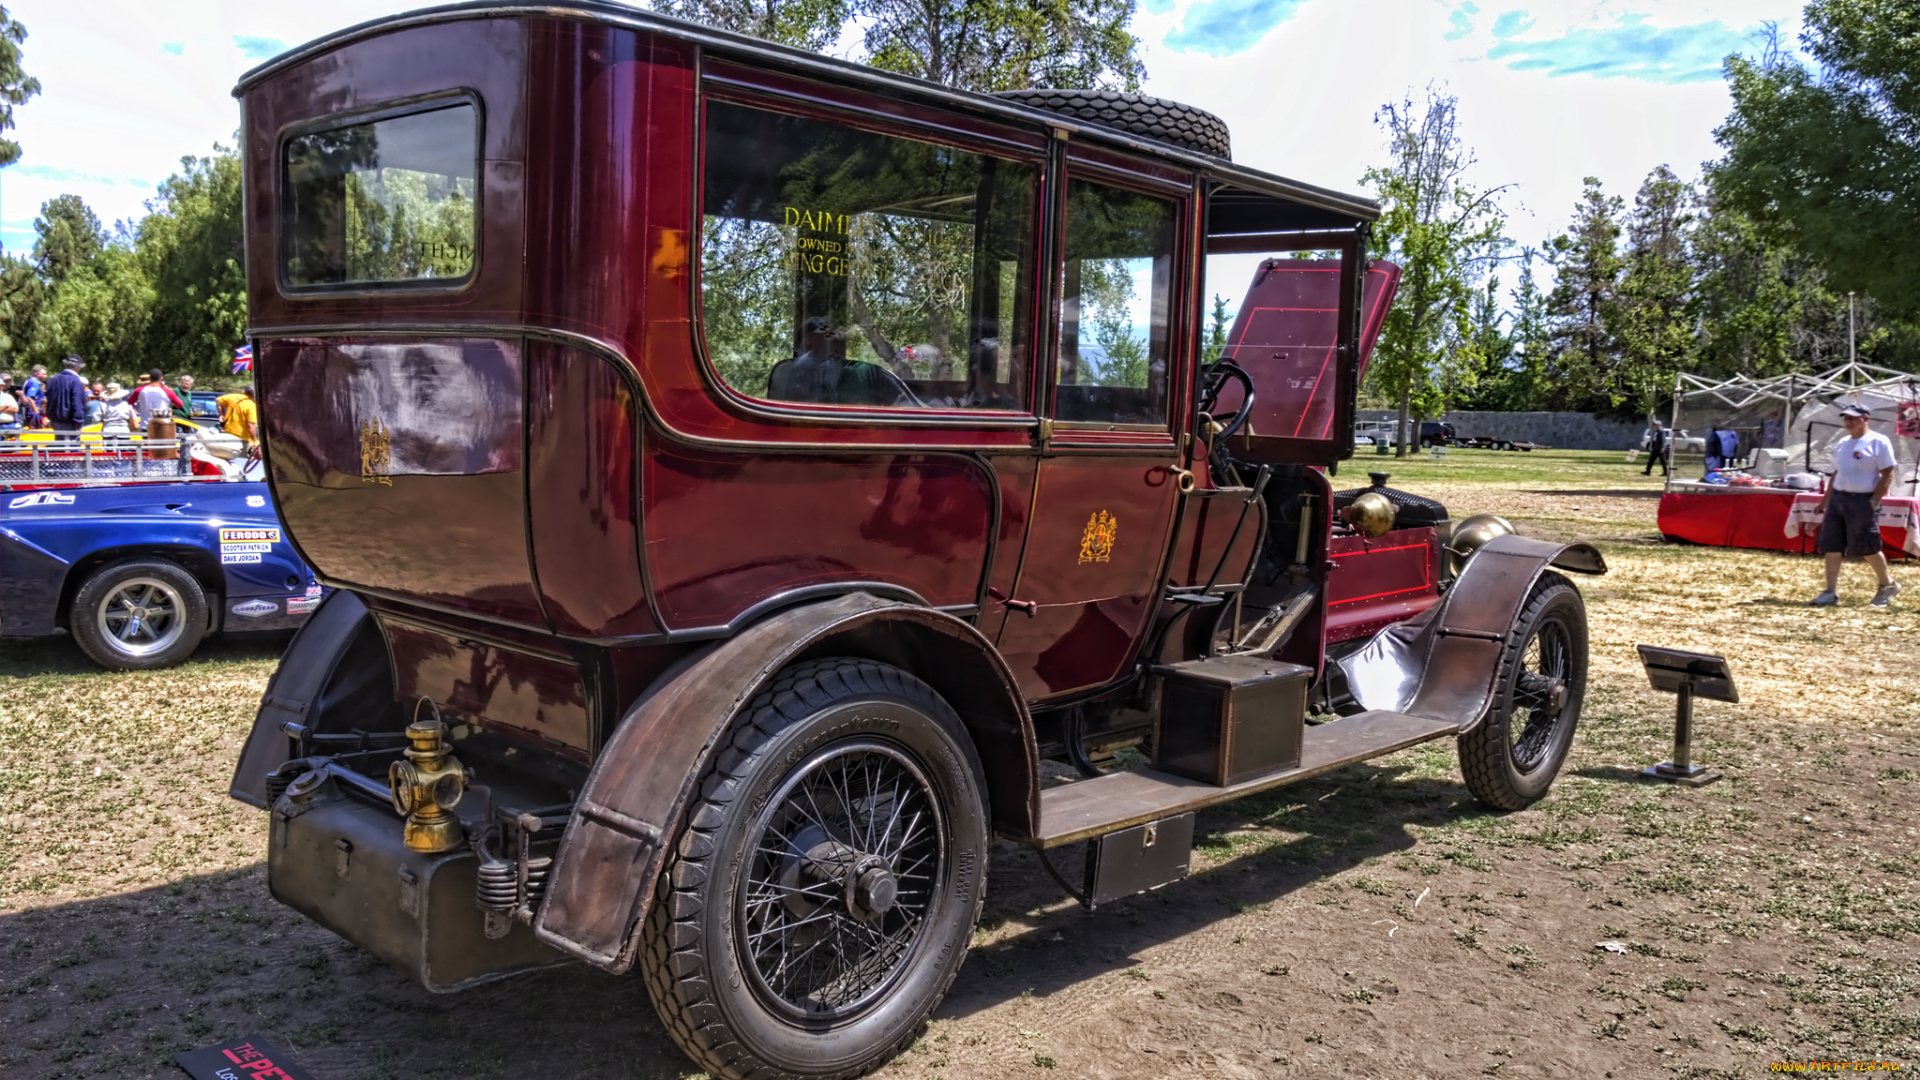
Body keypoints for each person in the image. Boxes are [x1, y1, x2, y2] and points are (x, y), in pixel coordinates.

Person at [1810, 403, 1901, 608]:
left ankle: (1887, 585)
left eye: (1853, 417)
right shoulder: (1842, 442)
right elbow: (1836, 473)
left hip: (1862, 500)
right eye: (1846, 418)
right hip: (1838, 499)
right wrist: (1825, 501)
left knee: (1867, 546)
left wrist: (1875, 500)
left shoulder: (1878, 441)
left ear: (1865, 418)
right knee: (1832, 545)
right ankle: (1830, 592)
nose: (1848, 421)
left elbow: (1888, 472)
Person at [44, 354, 89, 436]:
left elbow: (47, 400)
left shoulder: (52, 380)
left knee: (59, 446)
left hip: (54, 420)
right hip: (69, 422)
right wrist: (78, 423)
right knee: (70, 447)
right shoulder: (75, 381)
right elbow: (77, 403)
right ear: (79, 367)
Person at [21, 363, 47, 429]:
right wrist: (37, 413)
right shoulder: (34, 383)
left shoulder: (30, 381)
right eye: (44, 374)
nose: (46, 376)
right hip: (33, 414)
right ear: (37, 374)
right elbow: (30, 398)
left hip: (33, 413)